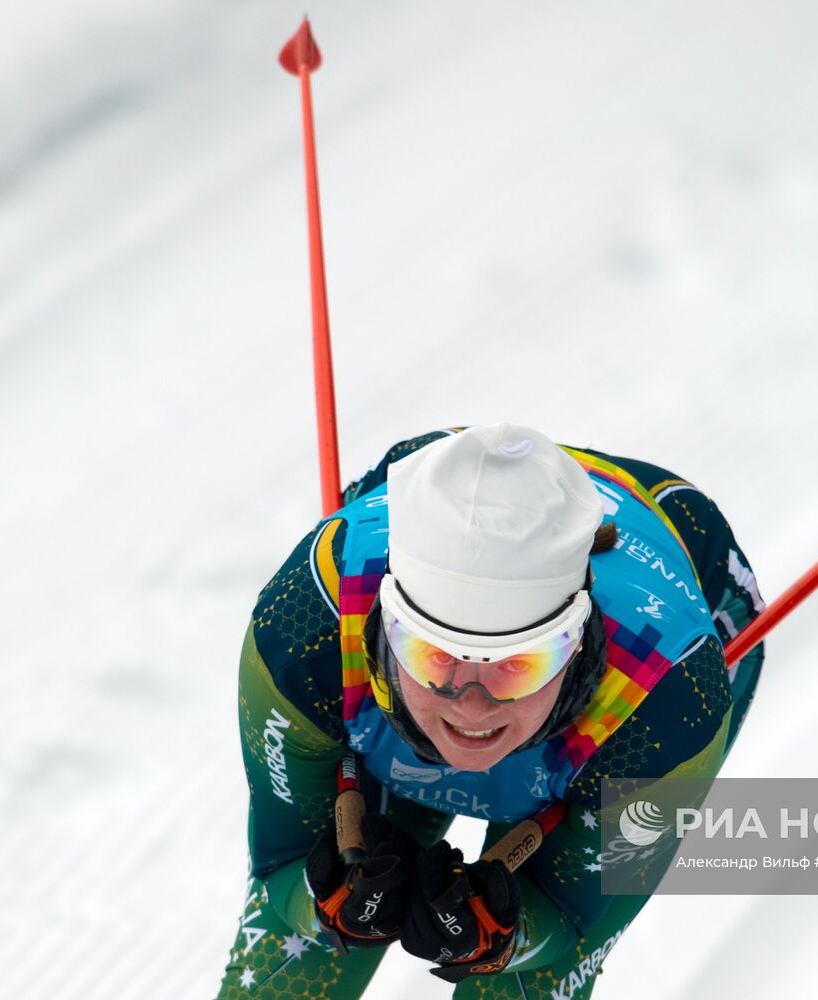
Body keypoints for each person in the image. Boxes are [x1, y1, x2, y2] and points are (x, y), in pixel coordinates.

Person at [217, 423, 764, 999]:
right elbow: (283, 866)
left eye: (518, 665)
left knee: (515, 983)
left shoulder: (666, 705)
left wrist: (501, 939)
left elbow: (576, 919)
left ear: (577, 643)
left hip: (695, 588)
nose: (472, 706)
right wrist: (323, 898)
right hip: (384, 684)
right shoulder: (307, 631)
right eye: (434, 656)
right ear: (385, 626)